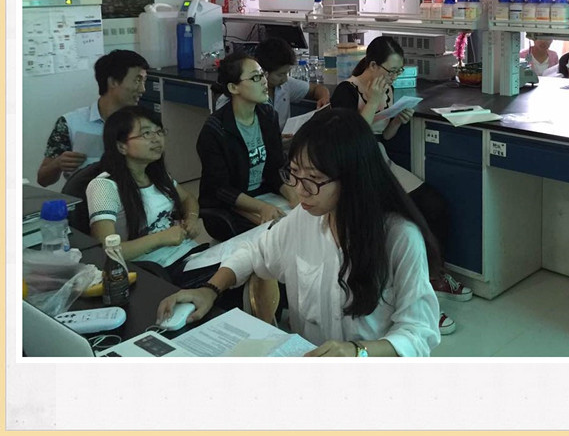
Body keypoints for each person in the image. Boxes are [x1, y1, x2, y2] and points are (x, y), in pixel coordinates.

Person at [157, 109, 443, 357]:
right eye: (294, 173)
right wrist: (209, 290)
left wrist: (358, 351)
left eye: (314, 180)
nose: (299, 190)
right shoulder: (305, 219)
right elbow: (255, 252)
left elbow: (419, 331)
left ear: (353, 179)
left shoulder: (399, 238)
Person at [330, 35, 470, 336]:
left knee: (433, 205)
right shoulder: (346, 91)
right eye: (390, 71)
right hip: (355, 170)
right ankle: (414, 300)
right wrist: (373, 102)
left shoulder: (387, 88)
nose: (393, 77)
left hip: (380, 161)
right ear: (372, 64)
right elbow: (349, 139)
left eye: (398, 71)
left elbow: (384, 136)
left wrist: (397, 120)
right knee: (403, 226)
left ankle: (435, 276)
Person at [86, 105, 213, 288]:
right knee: (245, 264)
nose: (156, 139)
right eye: (146, 133)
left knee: (250, 256)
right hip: (159, 270)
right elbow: (106, 250)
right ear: (121, 146)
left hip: (191, 254)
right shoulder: (104, 186)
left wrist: (191, 218)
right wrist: (161, 238)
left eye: (159, 131)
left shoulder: (156, 175)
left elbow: (188, 199)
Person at [196, 52, 297, 240]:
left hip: (263, 195)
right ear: (233, 87)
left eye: (263, 75)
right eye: (255, 78)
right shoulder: (215, 130)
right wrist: (261, 208)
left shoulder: (267, 116)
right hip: (226, 207)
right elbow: (221, 189)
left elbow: (275, 167)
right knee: (276, 236)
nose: (264, 82)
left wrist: (292, 194)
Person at [38, 49, 149, 187]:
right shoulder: (70, 123)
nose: (143, 89)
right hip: (84, 197)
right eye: (137, 80)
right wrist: (57, 164)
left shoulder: (143, 123)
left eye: (144, 81)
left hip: (132, 195)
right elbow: (42, 180)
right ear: (113, 82)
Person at [216, 38, 330, 133]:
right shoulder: (228, 104)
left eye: (286, 73)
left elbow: (316, 89)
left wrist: (324, 98)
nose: (285, 79)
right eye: (280, 74)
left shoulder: (285, 85)